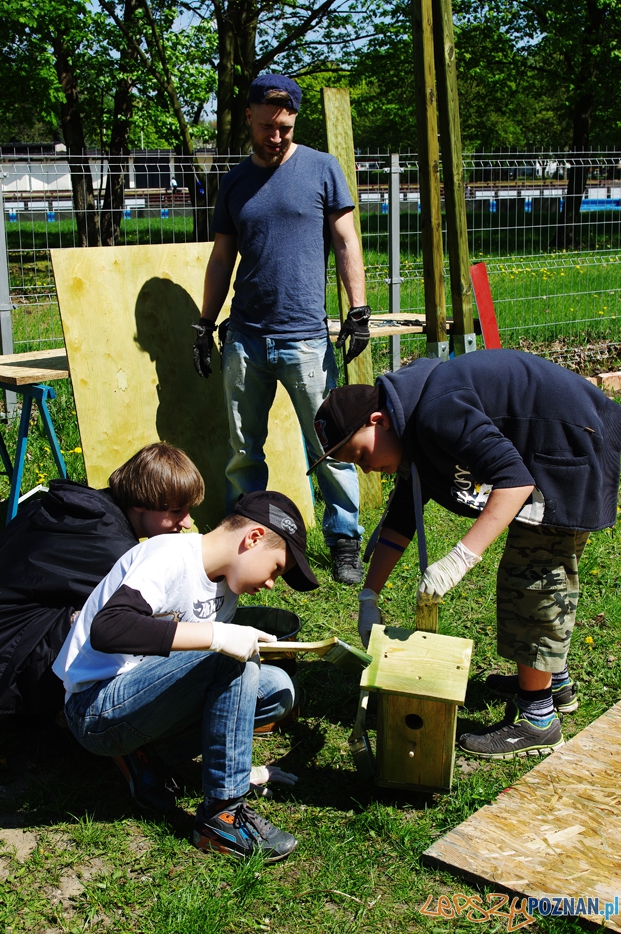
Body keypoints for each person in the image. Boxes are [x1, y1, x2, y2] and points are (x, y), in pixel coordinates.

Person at [309, 349, 621, 759]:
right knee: (528, 578)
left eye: (361, 456)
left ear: (378, 421)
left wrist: (458, 559)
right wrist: (370, 595)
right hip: (556, 450)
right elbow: (404, 515)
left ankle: (538, 720)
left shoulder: (437, 413)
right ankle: (552, 681)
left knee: (533, 581)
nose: (366, 469)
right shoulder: (412, 423)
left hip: (573, 449)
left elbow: (514, 482)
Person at [52, 490, 319, 862]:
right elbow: (108, 629)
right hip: (96, 709)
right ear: (253, 538)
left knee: (277, 689)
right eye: (276, 569)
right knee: (229, 658)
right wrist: (217, 637)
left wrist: (239, 760)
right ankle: (222, 814)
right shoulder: (169, 556)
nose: (272, 583)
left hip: (145, 702)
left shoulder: (225, 590)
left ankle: (152, 756)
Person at [193, 73, 370, 585]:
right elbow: (222, 256)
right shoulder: (234, 181)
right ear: (248, 116)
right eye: (268, 126)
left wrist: (357, 309)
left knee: (330, 445)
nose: (276, 137)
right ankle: (242, 537)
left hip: (306, 340)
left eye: (286, 128)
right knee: (243, 449)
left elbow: (345, 240)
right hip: (246, 338)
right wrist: (205, 326)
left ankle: (343, 540)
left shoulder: (321, 169)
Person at [0, 442, 203, 721]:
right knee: (122, 625)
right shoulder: (113, 550)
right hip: (11, 660)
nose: (188, 522)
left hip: (14, 635)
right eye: (177, 511)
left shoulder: (83, 511)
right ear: (140, 503)